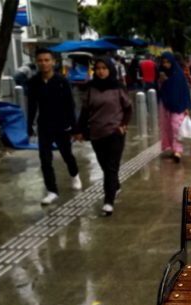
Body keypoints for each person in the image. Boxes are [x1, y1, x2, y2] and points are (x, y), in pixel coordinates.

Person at [75, 56, 132, 216]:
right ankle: (115, 185)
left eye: (104, 68)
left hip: (115, 133)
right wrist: (79, 130)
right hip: (96, 133)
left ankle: (108, 201)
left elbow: (128, 108)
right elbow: (85, 111)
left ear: (110, 69)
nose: (101, 71)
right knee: (104, 165)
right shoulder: (90, 88)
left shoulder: (118, 87)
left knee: (111, 168)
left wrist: (123, 125)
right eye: (98, 68)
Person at [27, 48, 81, 205]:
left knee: (67, 155)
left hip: (62, 125)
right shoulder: (34, 82)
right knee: (45, 159)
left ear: (53, 62)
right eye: (40, 60)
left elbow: (70, 106)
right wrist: (29, 125)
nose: (43, 63)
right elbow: (32, 105)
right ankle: (52, 190)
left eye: (46, 60)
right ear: (37, 62)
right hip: (44, 126)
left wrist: (74, 128)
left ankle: (75, 174)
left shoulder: (62, 81)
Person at [158, 51, 191, 162]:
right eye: (163, 62)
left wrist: (187, 106)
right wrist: (161, 81)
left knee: (176, 126)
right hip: (165, 105)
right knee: (167, 127)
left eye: (168, 62)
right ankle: (172, 148)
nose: (166, 64)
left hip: (178, 105)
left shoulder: (178, 73)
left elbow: (184, 90)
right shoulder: (161, 73)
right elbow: (158, 89)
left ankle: (178, 150)